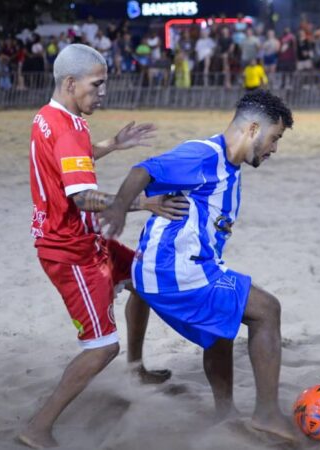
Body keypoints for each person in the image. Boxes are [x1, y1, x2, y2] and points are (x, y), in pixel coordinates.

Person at [99, 90, 297, 443]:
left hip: (163, 268)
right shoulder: (204, 155)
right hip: (174, 272)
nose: (274, 149)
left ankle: (222, 411)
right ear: (253, 128)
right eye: (274, 137)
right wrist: (117, 209)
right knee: (267, 310)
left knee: (222, 321)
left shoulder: (228, 166)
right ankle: (267, 414)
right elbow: (142, 169)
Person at [19, 44, 188, 449]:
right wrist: (142, 203)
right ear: (71, 82)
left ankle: (137, 368)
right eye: (98, 85)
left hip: (85, 239)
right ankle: (37, 426)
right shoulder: (67, 127)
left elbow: (73, 156)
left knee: (143, 278)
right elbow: (83, 198)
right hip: (70, 251)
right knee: (100, 348)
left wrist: (113, 143)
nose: (103, 92)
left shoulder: (52, 118)